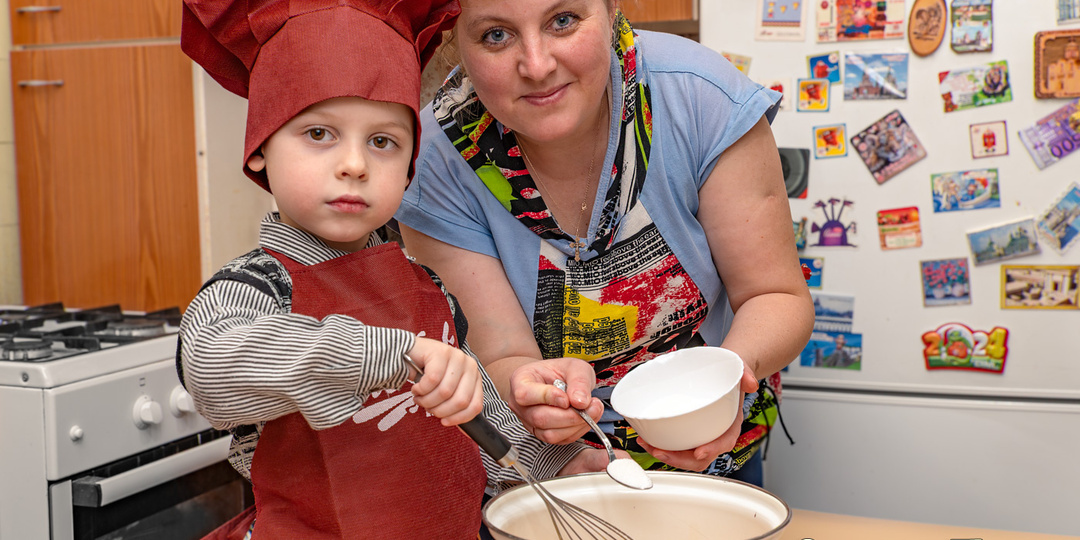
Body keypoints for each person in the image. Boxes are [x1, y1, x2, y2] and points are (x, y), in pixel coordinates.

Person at [176, 1, 609, 538]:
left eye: (383, 142)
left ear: (408, 168)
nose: (355, 164)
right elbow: (211, 366)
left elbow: (480, 416)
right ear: (260, 145)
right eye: (319, 134)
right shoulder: (256, 288)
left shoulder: (426, 286)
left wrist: (553, 468)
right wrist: (388, 354)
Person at [395, 0, 815, 487]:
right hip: (556, 472)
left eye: (563, 21)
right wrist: (541, 394)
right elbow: (502, 352)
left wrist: (721, 386)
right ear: (456, 47)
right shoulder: (434, 162)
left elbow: (776, 297)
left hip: (720, 450)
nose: (537, 65)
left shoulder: (699, 95)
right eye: (496, 36)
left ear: (613, 10)